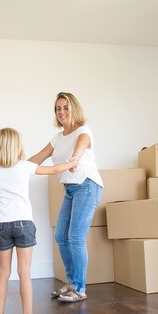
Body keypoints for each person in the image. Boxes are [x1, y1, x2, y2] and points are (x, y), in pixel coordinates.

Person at [0, 127, 77, 314]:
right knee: (24, 271)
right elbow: (53, 170)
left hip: (2, 225)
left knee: (3, 272)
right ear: (17, 146)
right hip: (23, 224)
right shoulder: (25, 166)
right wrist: (72, 163)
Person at [29, 92, 103, 303]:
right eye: (58, 108)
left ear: (74, 109)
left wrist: (75, 158)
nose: (61, 112)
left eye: (65, 107)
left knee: (76, 238)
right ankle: (71, 283)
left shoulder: (83, 130)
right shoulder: (58, 137)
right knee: (61, 236)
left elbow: (82, 143)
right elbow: (39, 157)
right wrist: (17, 167)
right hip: (70, 189)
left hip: (87, 185)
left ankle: (79, 288)